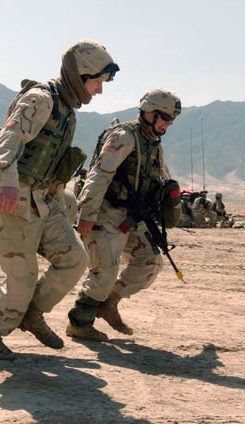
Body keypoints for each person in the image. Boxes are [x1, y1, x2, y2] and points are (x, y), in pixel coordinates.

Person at [0, 39, 119, 360]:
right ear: (81, 75)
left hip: (43, 200)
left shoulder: (67, 111)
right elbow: (10, 138)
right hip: (12, 198)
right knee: (22, 277)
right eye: (98, 81)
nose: (99, 90)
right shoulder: (40, 99)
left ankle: (31, 313)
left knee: (75, 260)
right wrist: (10, 185)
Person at [67, 88, 181, 341]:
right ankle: (80, 322)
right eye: (165, 117)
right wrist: (86, 212)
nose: (168, 124)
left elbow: (162, 178)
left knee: (150, 261)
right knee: (104, 271)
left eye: (172, 119)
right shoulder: (125, 136)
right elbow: (100, 174)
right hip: (104, 212)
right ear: (149, 113)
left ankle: (109, 302)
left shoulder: (152, 144)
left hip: (131, 217)